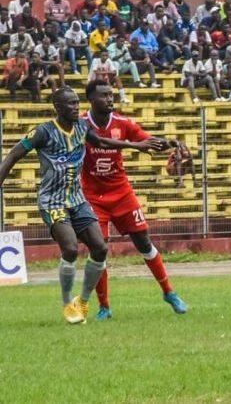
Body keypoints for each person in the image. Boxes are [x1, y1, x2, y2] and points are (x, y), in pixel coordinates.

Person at [0, 87, 162, 324]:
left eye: (77, 103)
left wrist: (136, 146)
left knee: (100, 248)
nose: (76, 107)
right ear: (57, 107)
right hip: (53, 201)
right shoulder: (42, 132)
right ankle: (67, 303)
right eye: (70, 104)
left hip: (77, 200)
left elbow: (103, 142)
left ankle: (82, 301)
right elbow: (13, 155)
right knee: (71, 248)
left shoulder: (83, 127)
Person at [80, 80, 188, 320]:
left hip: (121, 192)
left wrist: (171, 143)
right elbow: (103, 142)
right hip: (92, 197)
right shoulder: (80, 123)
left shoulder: (122, 123)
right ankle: (104, 306)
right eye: (104, 95)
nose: (109, 99)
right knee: (99, 250)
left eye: (111, 95)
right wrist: (135, 145)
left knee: (144, 242)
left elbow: (147, 142)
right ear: (91, 99)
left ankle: (169, 292)